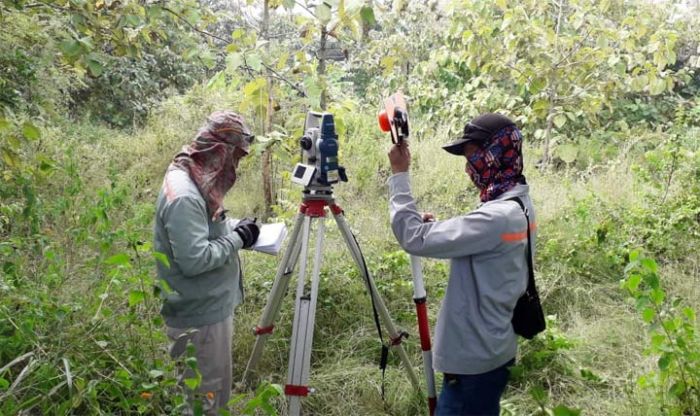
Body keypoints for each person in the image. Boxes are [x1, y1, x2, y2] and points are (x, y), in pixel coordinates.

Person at [387, 113, 536, 416]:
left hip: (474, 361)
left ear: (495, 153)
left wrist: (399, 175)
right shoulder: (518, 203)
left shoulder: (496, 216)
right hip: (493, 347)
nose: (470, 167)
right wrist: (438, 230)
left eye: (474, 156)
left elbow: (412, 237)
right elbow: (488, 245)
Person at [153, 110, 261, 415]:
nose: (235, 165)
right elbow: (195, 258)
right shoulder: (186, 195)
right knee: (204, 401)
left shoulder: (191, 176)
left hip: (204, 309)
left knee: (205, 395)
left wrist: (236, 228)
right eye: (234, 156)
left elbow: (201, 230)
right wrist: (238, 238)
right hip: (199, 316)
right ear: (218, 151)